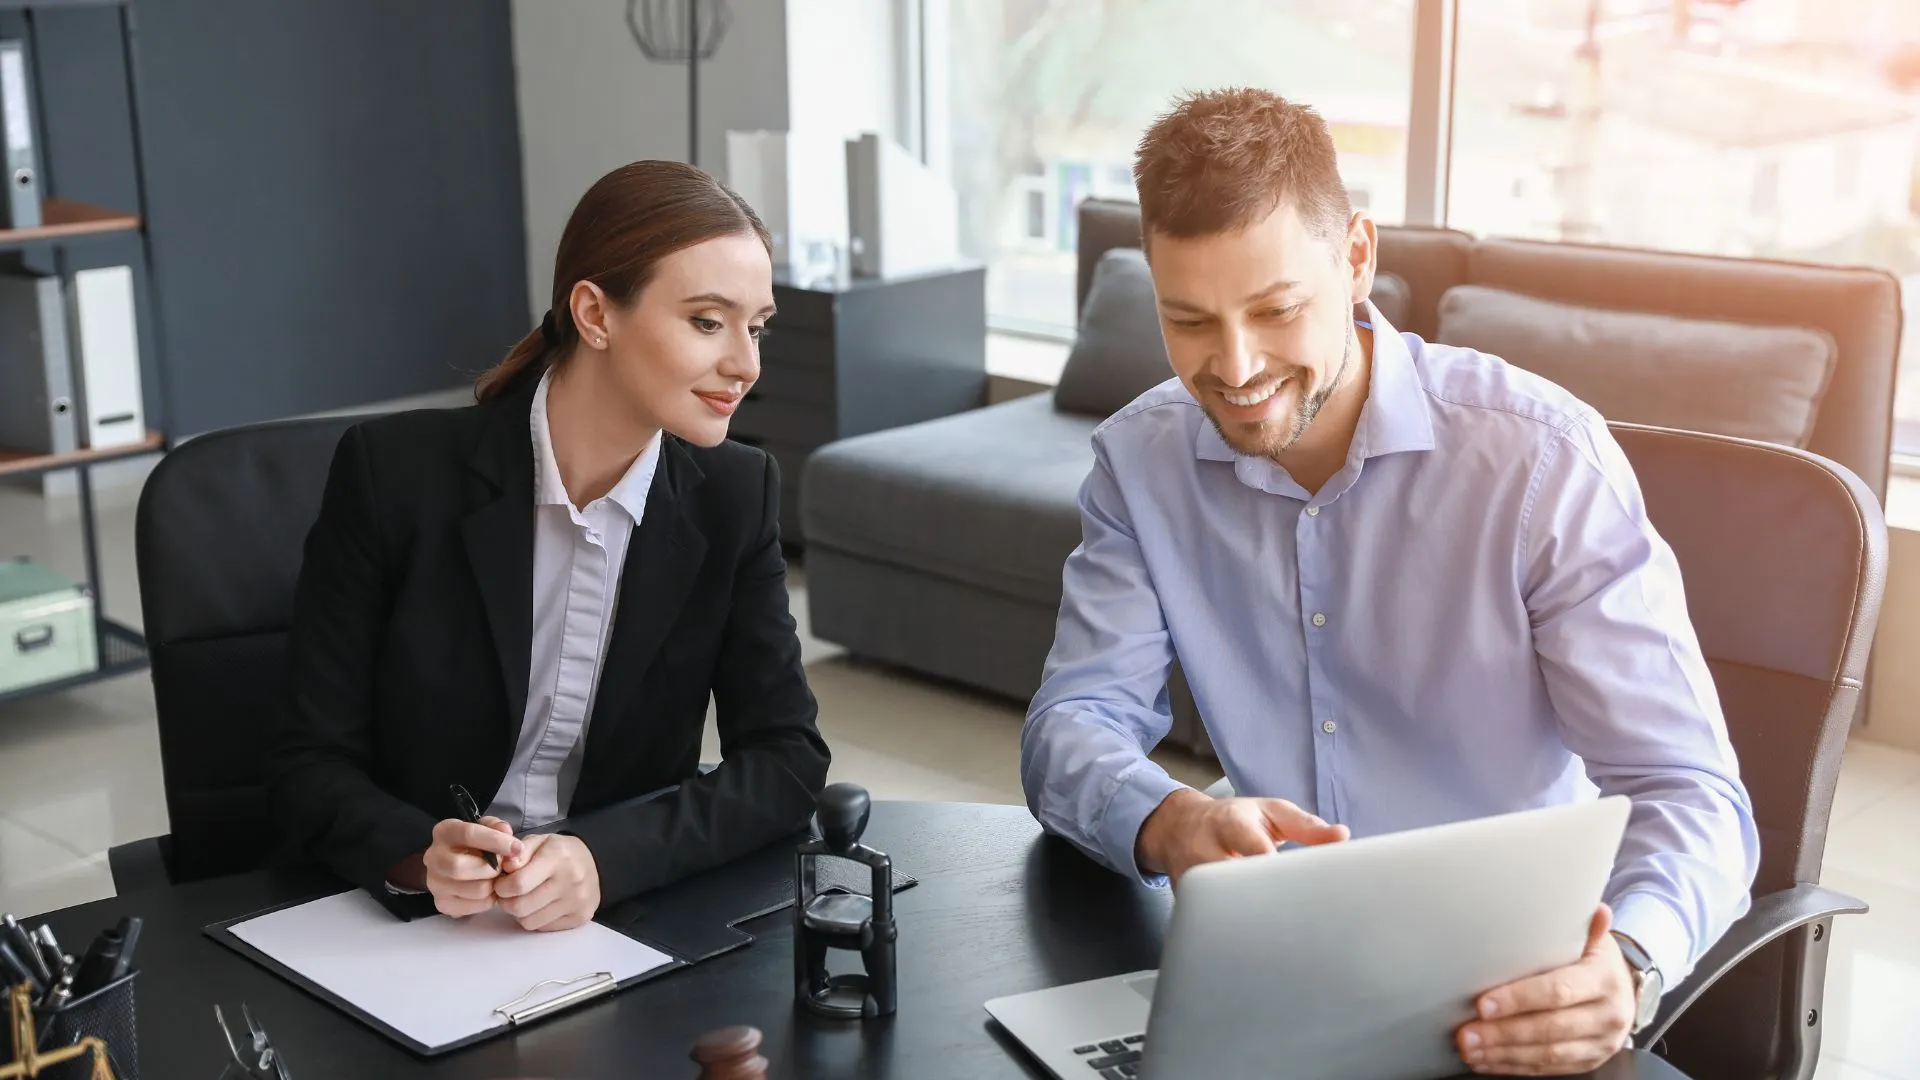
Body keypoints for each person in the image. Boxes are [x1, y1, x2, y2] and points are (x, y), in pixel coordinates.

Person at [1021, 89, 1758, 1076]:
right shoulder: (1140, 462)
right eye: (1189, 319)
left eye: (1276, 310)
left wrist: (1629, 962)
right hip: (1281, 974)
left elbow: (1691, 792)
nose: (1233, 367)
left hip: (1506, 997)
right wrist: (1171, 818)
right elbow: (1070, 724)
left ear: (1358, 258)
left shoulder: (1541, 464)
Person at [269, 160, 830, 932]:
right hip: (406, 927)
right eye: (707, 321)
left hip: (605, 925)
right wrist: (416, 856)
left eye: (756, 326)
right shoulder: (392, 476)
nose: (747, 363)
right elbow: (308, 761)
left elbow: (786, 761)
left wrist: (607, 856)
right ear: (596, 314)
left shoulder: (734, 495)